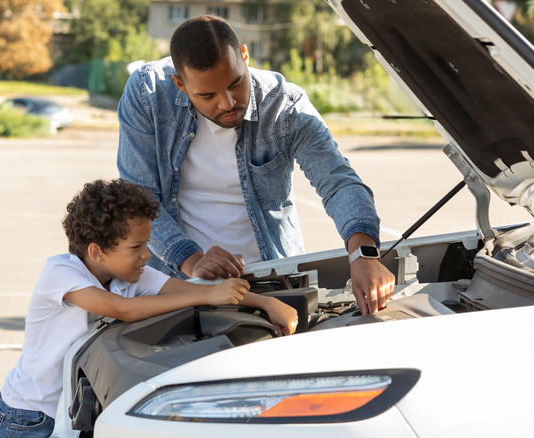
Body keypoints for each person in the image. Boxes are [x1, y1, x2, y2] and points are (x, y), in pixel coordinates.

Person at [117, 15, 395, 315]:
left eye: (236, 83)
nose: (226, 103)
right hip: (182, 284)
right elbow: (140, 201)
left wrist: (364, 255)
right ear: (180, 83)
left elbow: (338, 182)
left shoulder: (285, 107)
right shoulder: (148, 95)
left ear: (245, 56)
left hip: (274, 284)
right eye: (207, 95)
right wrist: (192, 259)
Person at [0, 179, 298, 437]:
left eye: (147, 244)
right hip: (25, 417)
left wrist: (266, 302)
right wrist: (207, 297)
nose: (147, 255)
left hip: (70, 414)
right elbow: (122, 309)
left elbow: (197, 290)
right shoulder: (61, 273)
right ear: (96, 251)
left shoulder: (131, 275)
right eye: (136, 247)